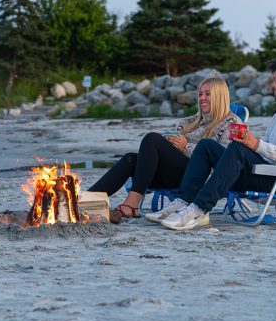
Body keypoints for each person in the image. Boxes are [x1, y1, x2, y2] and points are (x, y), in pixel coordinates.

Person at [146, 56, 276, 230]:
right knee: (207, 145)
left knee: (238, 148)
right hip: (262, 171)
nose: (272, 85)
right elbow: (265, 147)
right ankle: (183, 201)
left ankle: (199, 209)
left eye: (274, 80)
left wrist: (255, 144)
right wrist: (249, 142)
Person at [85, 77, 244, 222]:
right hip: (175, 175)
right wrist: (172, 144)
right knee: (131, 158)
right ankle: (85, 201)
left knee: (152, 139)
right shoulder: (189, 122)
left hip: (199, 179)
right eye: (200, 94)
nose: (202, 98)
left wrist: (185, 147)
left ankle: (131, 205)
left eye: (208, 94)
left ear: (220, 96)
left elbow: (226, 161)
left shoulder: (232, 123)